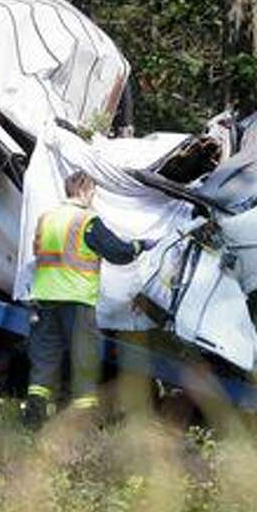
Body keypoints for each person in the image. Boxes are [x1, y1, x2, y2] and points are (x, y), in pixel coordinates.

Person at [22, 170, 154, 428]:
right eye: (93, 191)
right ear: (84, 190)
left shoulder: (46, 218)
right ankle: (84, 422)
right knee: (84, 359)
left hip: (45, 298)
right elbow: (119, 252)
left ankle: (34, 416)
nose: (94, 196)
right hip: (76, 300)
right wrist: (140, 245)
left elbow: (38, 252)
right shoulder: (87, 221)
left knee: (44, 357)